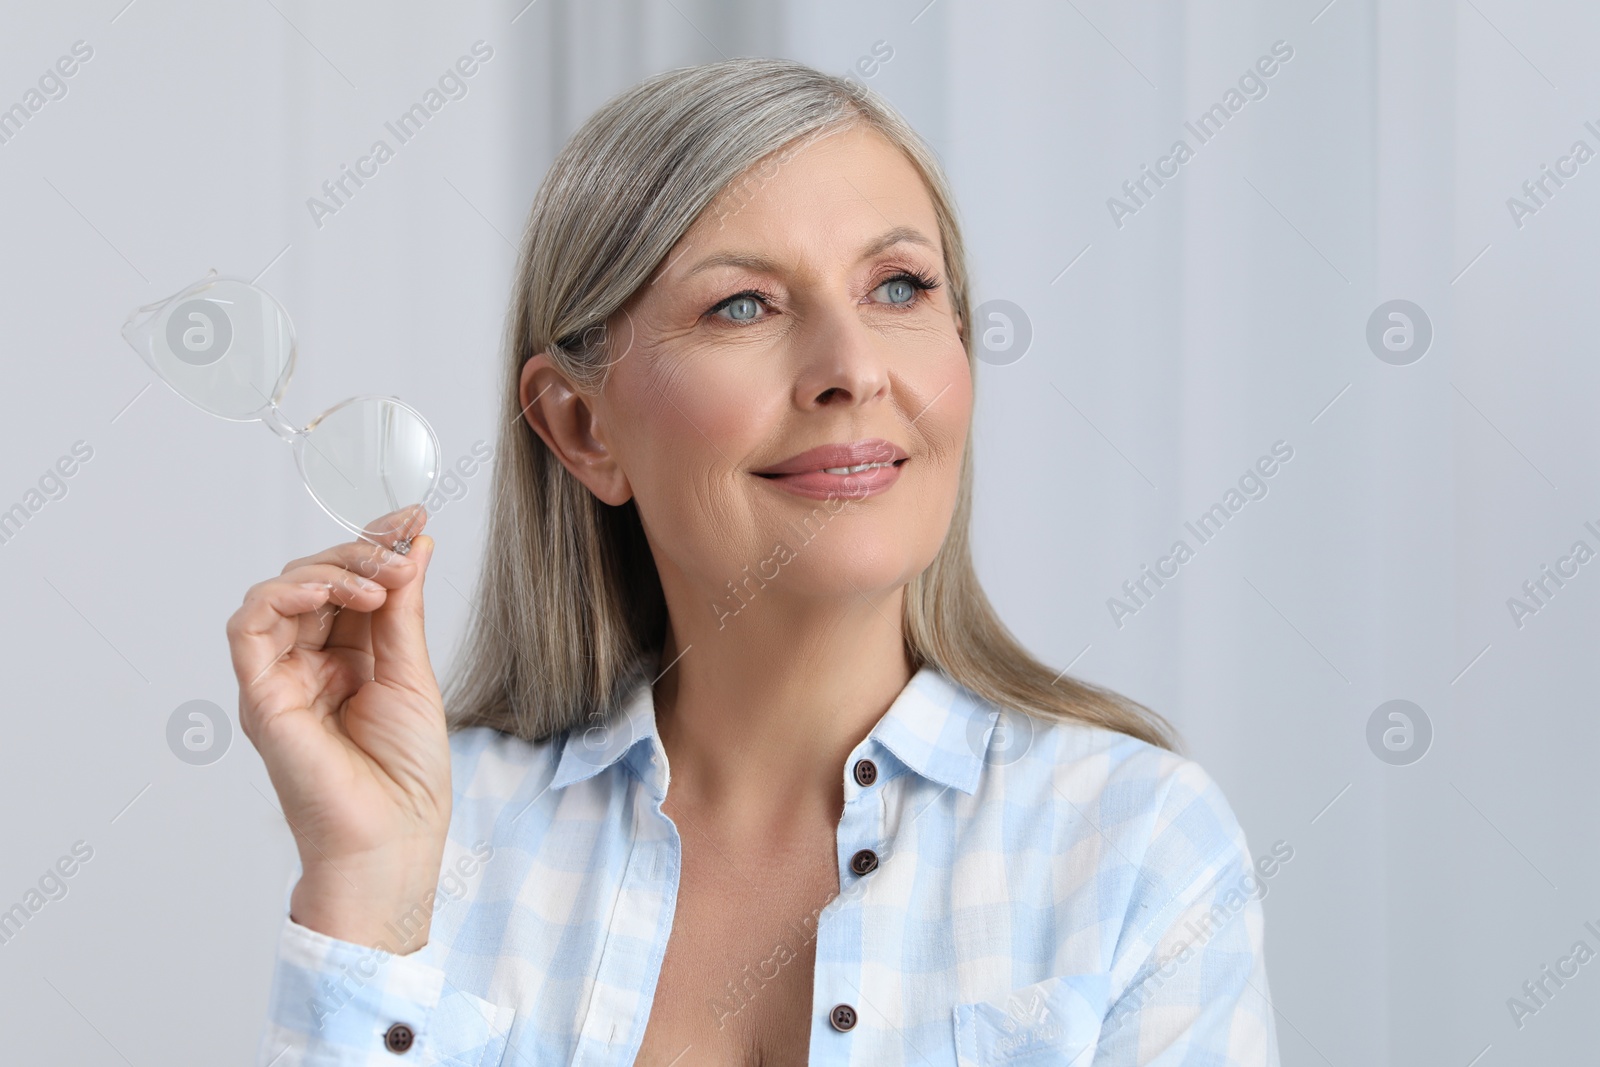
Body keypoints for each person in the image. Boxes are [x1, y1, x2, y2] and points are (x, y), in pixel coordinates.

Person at [234, 57, 1281, 1066]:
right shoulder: (438, 832)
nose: (853, 368)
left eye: (900, 286)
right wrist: (370, 889)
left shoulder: (1133, 843)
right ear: (582, 427)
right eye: (743, 304)